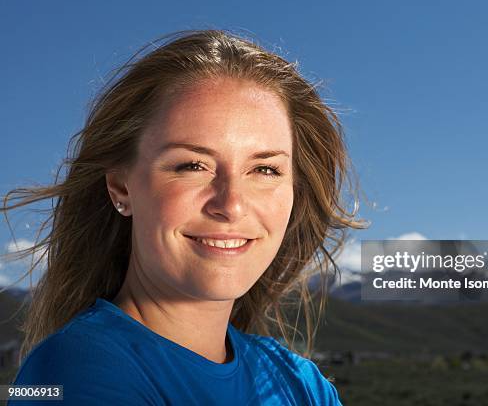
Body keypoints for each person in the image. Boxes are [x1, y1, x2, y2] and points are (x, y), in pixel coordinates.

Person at [1, 29, 367, 405]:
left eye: (265, 170)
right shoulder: (76, 373)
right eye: (193, 165)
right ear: (121, 187)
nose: (232, 204)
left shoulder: (300, 384)